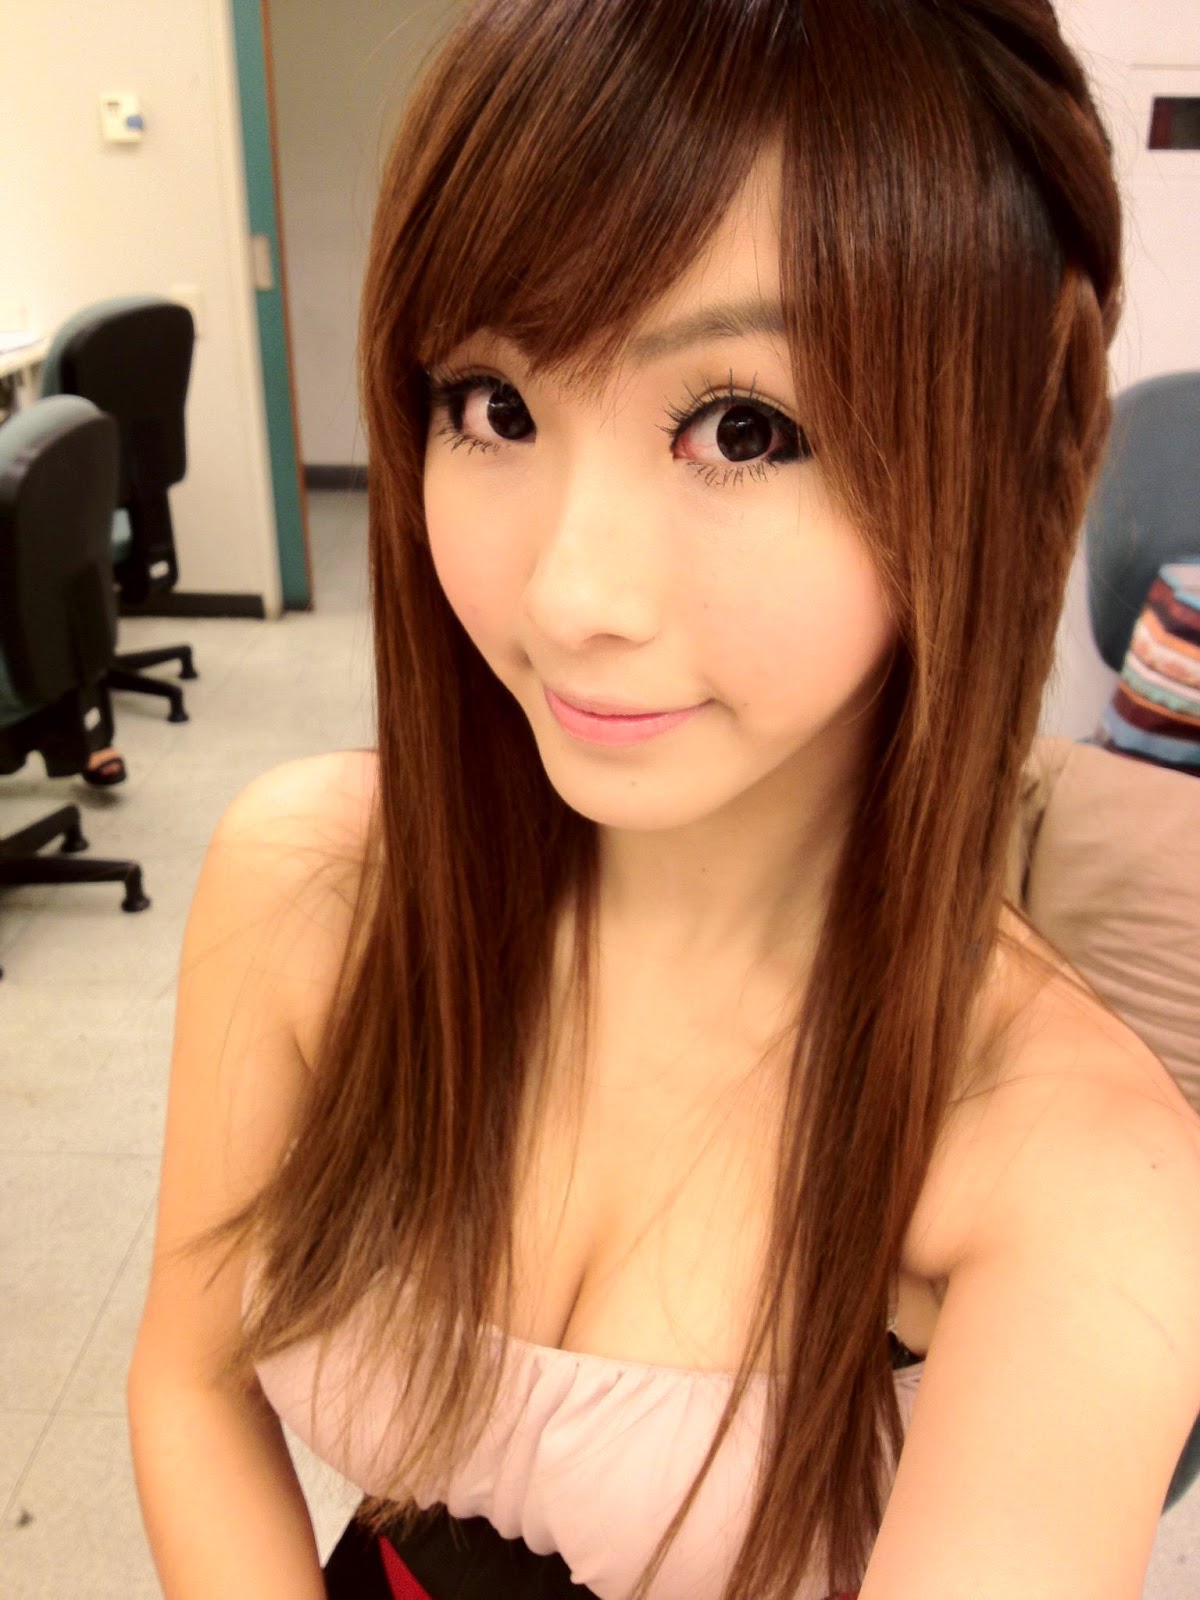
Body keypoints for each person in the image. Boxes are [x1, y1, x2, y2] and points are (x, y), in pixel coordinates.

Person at [126, 2, 1200, 1597]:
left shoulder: (1070, 1174)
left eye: (743, 428)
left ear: (987, 448)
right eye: (494, 405)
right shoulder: (315, 884)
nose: (571, 593)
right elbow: (189, 1383)